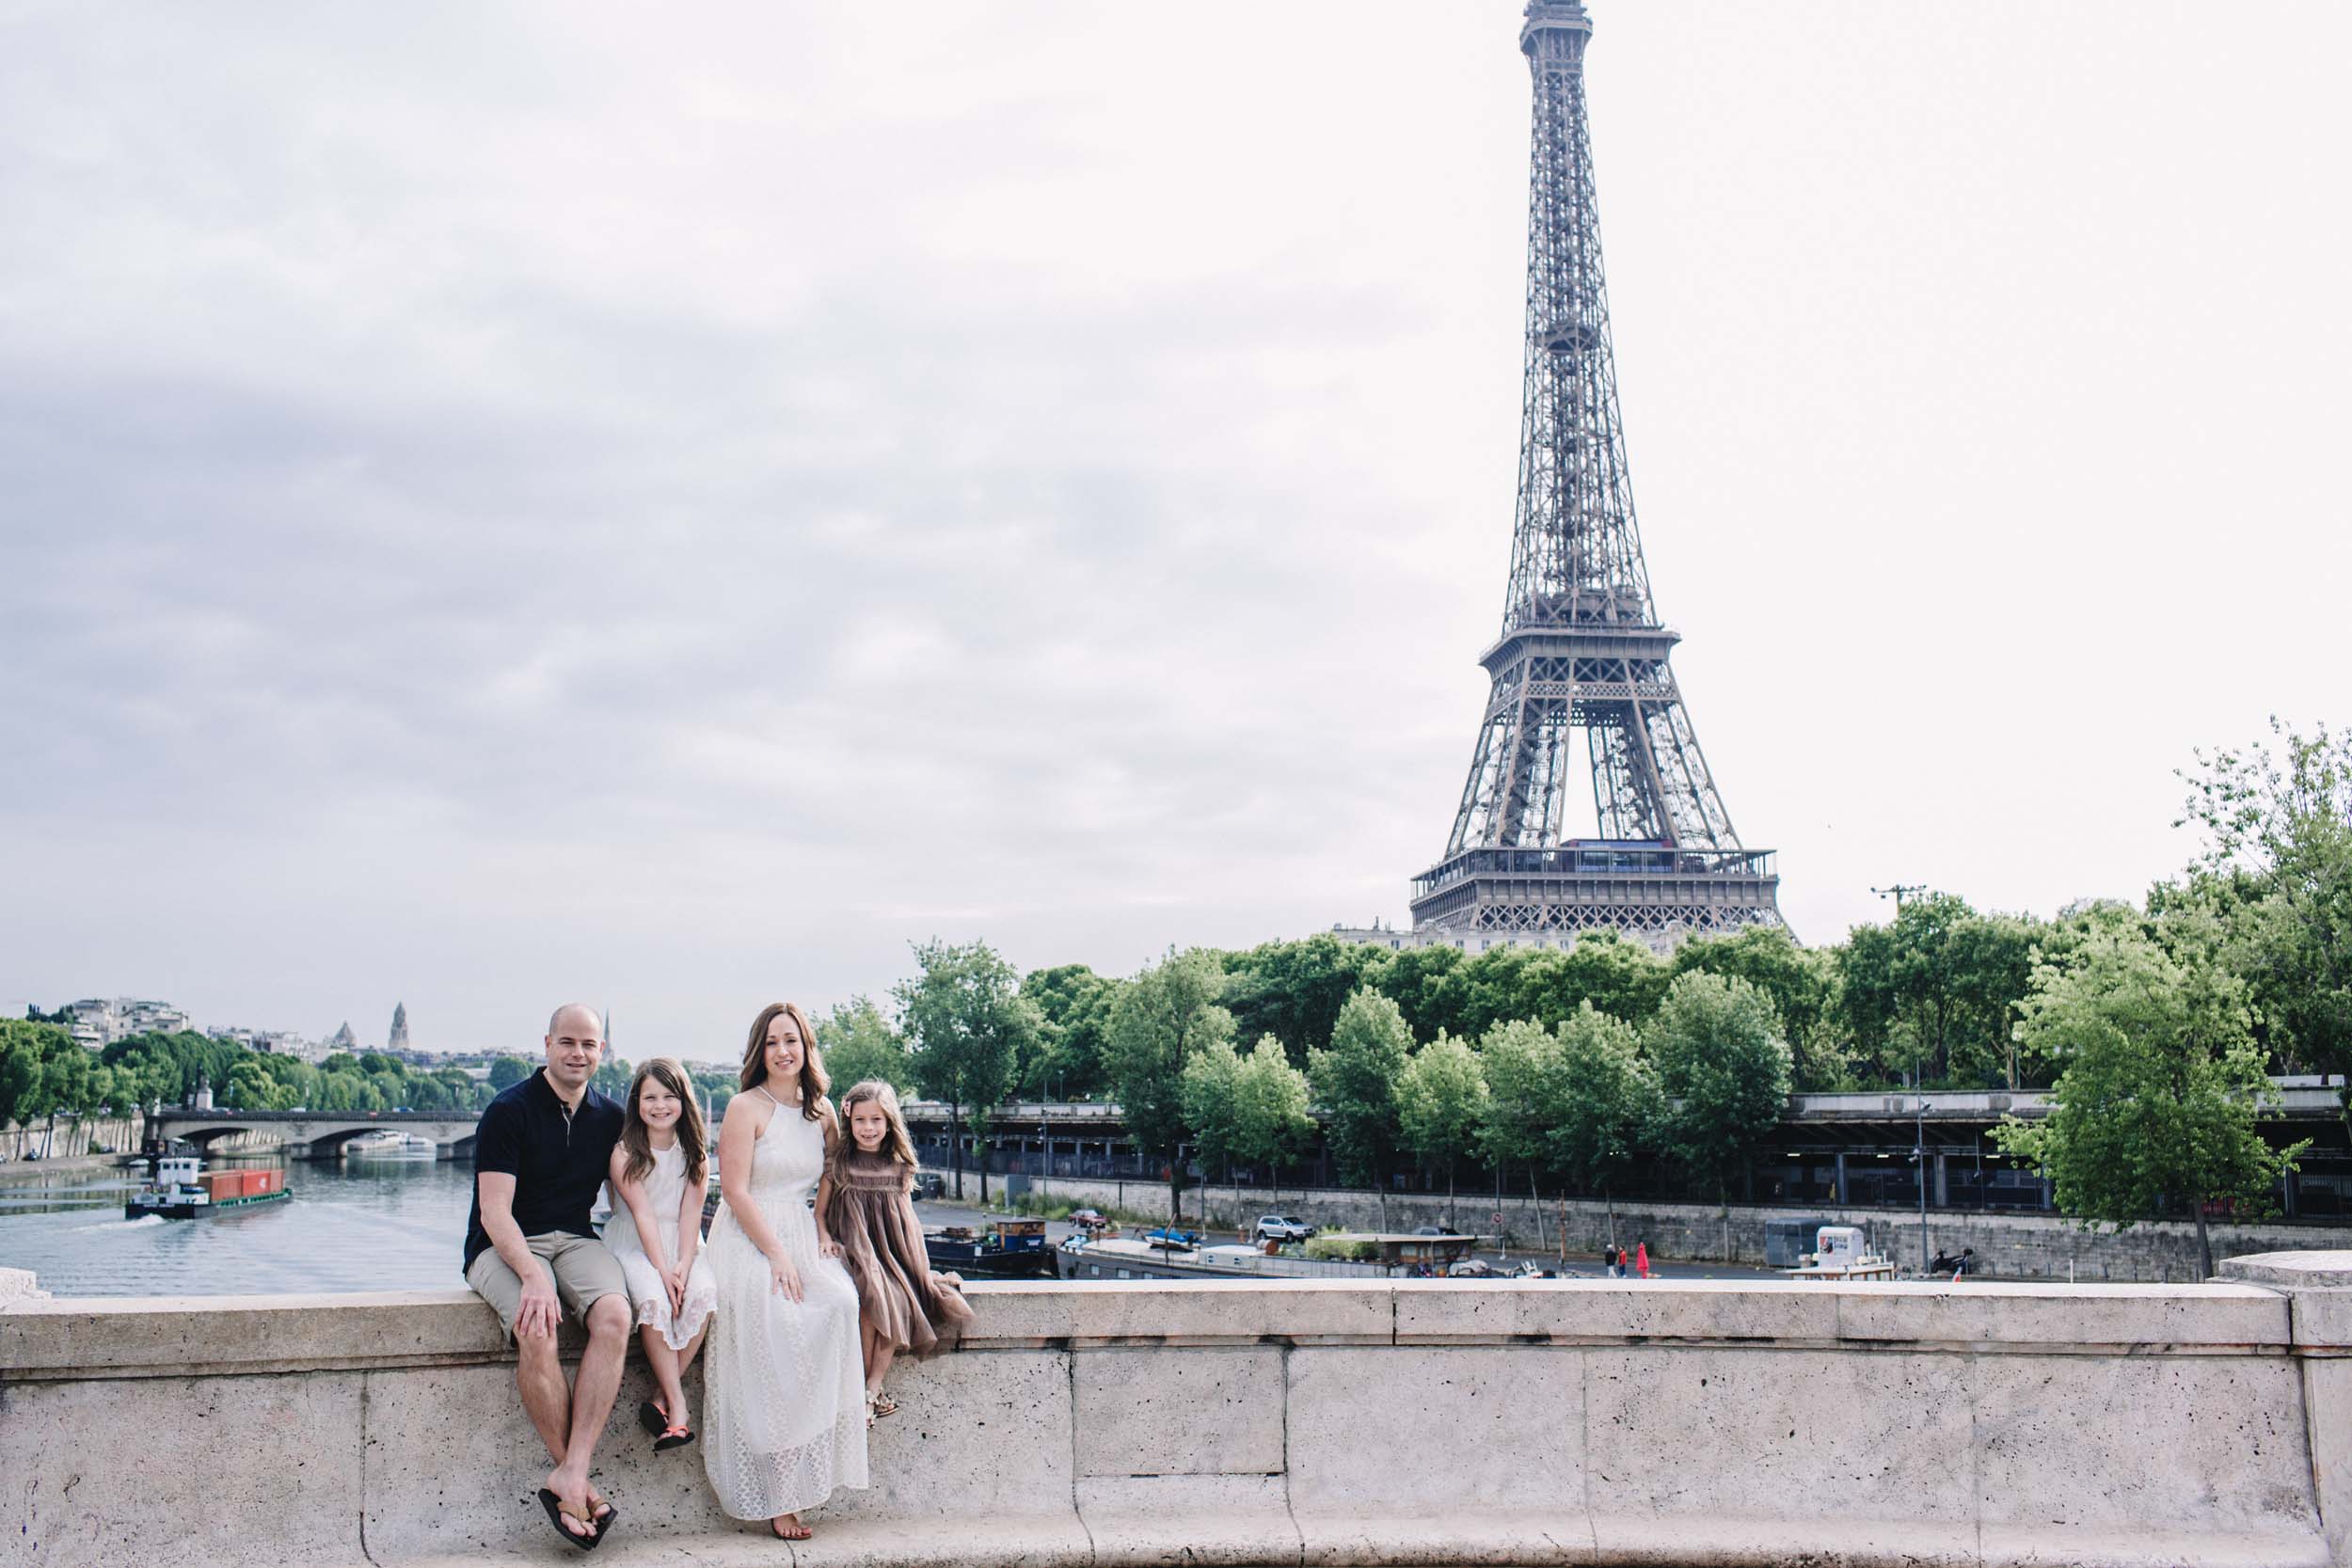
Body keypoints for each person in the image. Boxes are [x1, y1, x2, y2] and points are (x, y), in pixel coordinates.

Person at [461, 1004, 631, 1550]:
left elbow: (639, 1198)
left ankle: (571, 1470)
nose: (578, 1053)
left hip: (576, 1238)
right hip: (503, 1243)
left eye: (589, 1044)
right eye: (568, 1043)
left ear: (601, 1051)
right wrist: (533, 1275)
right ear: (547, 1044)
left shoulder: (610, 1117)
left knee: (615, 1315)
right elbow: (494, 1211)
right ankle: (574, 1479)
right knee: (538, 1328)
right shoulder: (508, 1110)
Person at [702, 1002, 867, 1541]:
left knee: (841, 1304)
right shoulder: (743, 1106)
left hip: (799, 1228)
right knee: (777, 1323)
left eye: (791, 1040)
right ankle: (778, 1492)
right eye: (772, 1041)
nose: (783, 1051)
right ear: (760, 1050)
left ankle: (809, 1459)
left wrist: (819, 1229)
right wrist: (775, 1254)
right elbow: (734, 1191)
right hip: (749, 1234)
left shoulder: (822, 1113)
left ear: (806, 1048)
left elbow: (830, 1176)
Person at [819, 1079, 973, 1421]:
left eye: (876, 1120)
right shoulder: (839, 1163)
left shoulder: (898, 1164)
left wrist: (918, 1265)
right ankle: (867, 1392)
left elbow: (906, 1222)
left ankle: (871, 1387)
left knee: (900, 1299)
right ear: (849, 1120)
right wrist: (824, 1238)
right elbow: (820, 1211)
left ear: (889, 1122)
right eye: (860, 1120)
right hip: (855, 1247)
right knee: (873, 1297)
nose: (868, 1128)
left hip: (894, 1252)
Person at [604, 1056, 719, 1451]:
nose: (660, 1106)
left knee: (702, 1296)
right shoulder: (625, 1152)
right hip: (636, 1241)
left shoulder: (696, 1155)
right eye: (650, 1097)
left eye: (669, 1096)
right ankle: (680, 1405)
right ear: (637, 1102)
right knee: (654, 1298)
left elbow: (690, 1215)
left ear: (683, 1101)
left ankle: (658, 1396)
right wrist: (663, 1269)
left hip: (684, 1241)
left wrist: (683, 1264)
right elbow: (642, 1215)